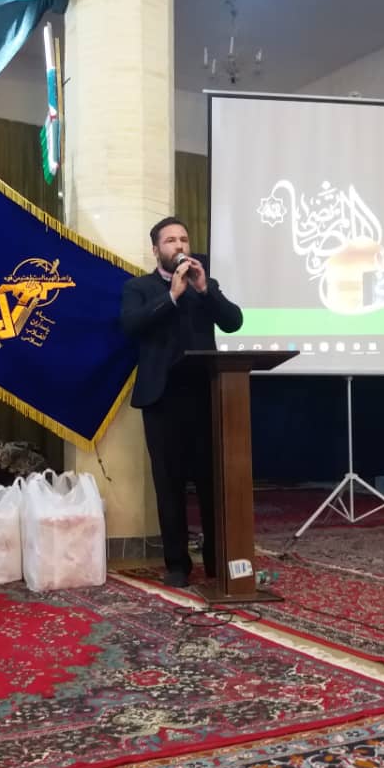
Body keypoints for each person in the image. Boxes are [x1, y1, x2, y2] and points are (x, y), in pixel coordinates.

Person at [120, 216, 243, 588]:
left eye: (184, 239)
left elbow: (234, 321)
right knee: (169, 484)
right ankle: (177, 564)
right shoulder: (139, 288)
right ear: (156, 250)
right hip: (162, 400)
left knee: (211, 483)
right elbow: (131, 326)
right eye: (171, 240)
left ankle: (217, 561)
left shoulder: (205, 287)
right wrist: (171, 296)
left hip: (204, 396)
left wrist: (205, 290)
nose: (180, 246)